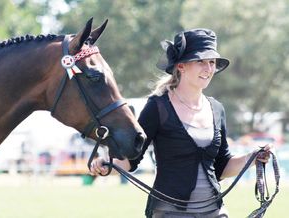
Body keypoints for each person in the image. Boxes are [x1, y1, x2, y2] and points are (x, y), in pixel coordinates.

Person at [88, 28, 273, 218]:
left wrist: (253, 158)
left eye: (211, 62)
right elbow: (132, 159)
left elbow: (222, 167)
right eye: (200, 61)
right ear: (181, 66)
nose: (208, 69)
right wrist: (107, 166)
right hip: (169, 213)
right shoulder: (157, 107)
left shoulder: (217, 109)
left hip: (215, 212)